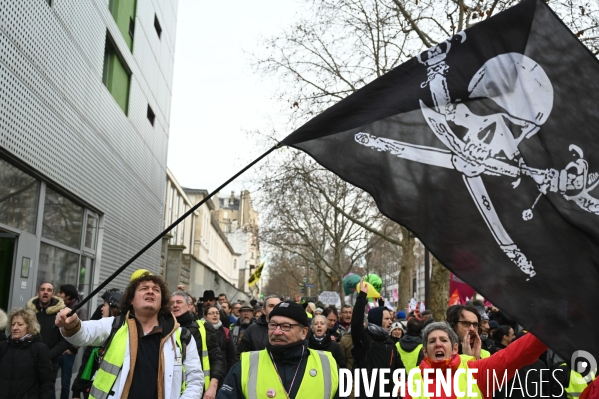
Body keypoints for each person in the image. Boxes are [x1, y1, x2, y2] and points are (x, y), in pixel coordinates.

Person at [56, 271, 203, 399]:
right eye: (144, 288)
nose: (150, 291)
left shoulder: (182, 336)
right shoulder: (114, 325)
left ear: (162, 302)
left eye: (156, 290)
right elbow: (83, 334)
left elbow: (196, 380)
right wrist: (72, 323)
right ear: (131, 300)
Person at [217, 301, 339, 399]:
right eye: (273, 325)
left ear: (303, 332)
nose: (277, 332)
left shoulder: (328, 364)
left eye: (286, 326)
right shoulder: (246, 365)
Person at [403, 321, 547, 399]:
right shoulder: (413, 382)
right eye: (432, 341)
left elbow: (514, 355)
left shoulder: (475, 371)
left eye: (443, 340)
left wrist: (550, 327)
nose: (438, 344)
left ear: (454, 349)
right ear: (425, 351)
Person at [351, 277, 403, 398]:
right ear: (376, 321)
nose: (391, 322)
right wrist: (362, 297)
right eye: (386, 319)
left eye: (391, 318)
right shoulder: (365, 341)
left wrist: (402, 380)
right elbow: (356, 324)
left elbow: (399, 368)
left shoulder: (390, 344)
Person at [171, 291, 225, 399]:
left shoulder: (204, 327)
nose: (175, 305)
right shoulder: (165, 330)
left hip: (201, 392)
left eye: (179, 302)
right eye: (171, 303)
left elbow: (217, 358)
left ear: (189, 306)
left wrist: (213, 387)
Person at [71, 290, 123, 399]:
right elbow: (86, 365)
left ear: (114, 308)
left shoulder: (118, 335)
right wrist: (76, 390)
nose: (101, 309)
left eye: (104, 305)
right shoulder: (101, 333)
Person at [0, 308, 54, 399]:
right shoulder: (3, 346)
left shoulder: (39, 349)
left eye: (20, 324)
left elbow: (46, 382)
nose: (15, 328)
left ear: (30, 326)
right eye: (13, 324)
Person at [27, 282, 70, 394]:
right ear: (38, 292)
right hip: (28, 362)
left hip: (49, 364)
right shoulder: (29, 313)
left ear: (53, 294)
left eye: (49, 290)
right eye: (42, 289)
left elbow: (65, 341)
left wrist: (48, 356)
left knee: (46, 394)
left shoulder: (61, 314)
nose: (45, 292)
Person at [56, 284, 88, 399]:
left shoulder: (80, 309)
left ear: (68, 296)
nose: (58, 294)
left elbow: (82, 331)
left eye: (60, 292)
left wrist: (72, 349)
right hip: (57, 350)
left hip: (68, 353)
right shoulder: (59, 308)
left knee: (65, 381)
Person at [235, 295, 281, 360]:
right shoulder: (252, 330)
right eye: (271, 306)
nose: (275, 308)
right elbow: (240, 356)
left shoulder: (290, 328)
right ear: (264, 310)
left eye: (278, 306)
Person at [204, 306, 236, 375]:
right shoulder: (202, 331)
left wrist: (230, 372)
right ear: (205, 317)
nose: (215, 315)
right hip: (206, 370)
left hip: (223, 371)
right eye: (212, 313)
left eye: (217, 313)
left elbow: (231, 355)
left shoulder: (225, 331)